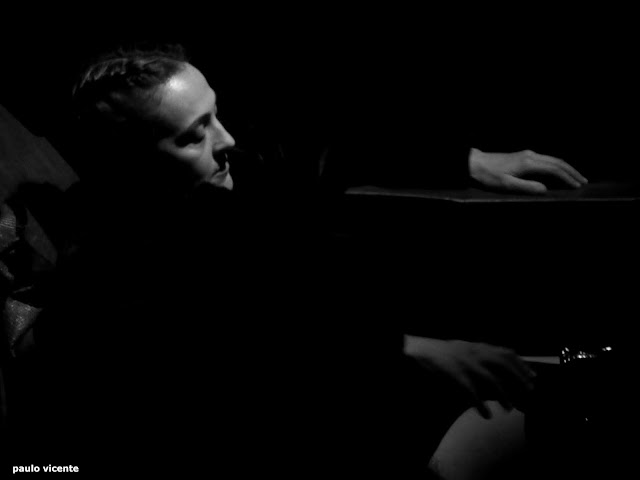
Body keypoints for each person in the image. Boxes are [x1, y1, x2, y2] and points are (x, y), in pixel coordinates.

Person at [9, 43, 589, 478]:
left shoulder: (226, 173)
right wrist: (401, 349)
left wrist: (467, 159)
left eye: (216, 115)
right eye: (193, 136)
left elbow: (317, 152)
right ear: (129, 164)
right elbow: (222, 343)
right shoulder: (110, 259)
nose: (226, 140)